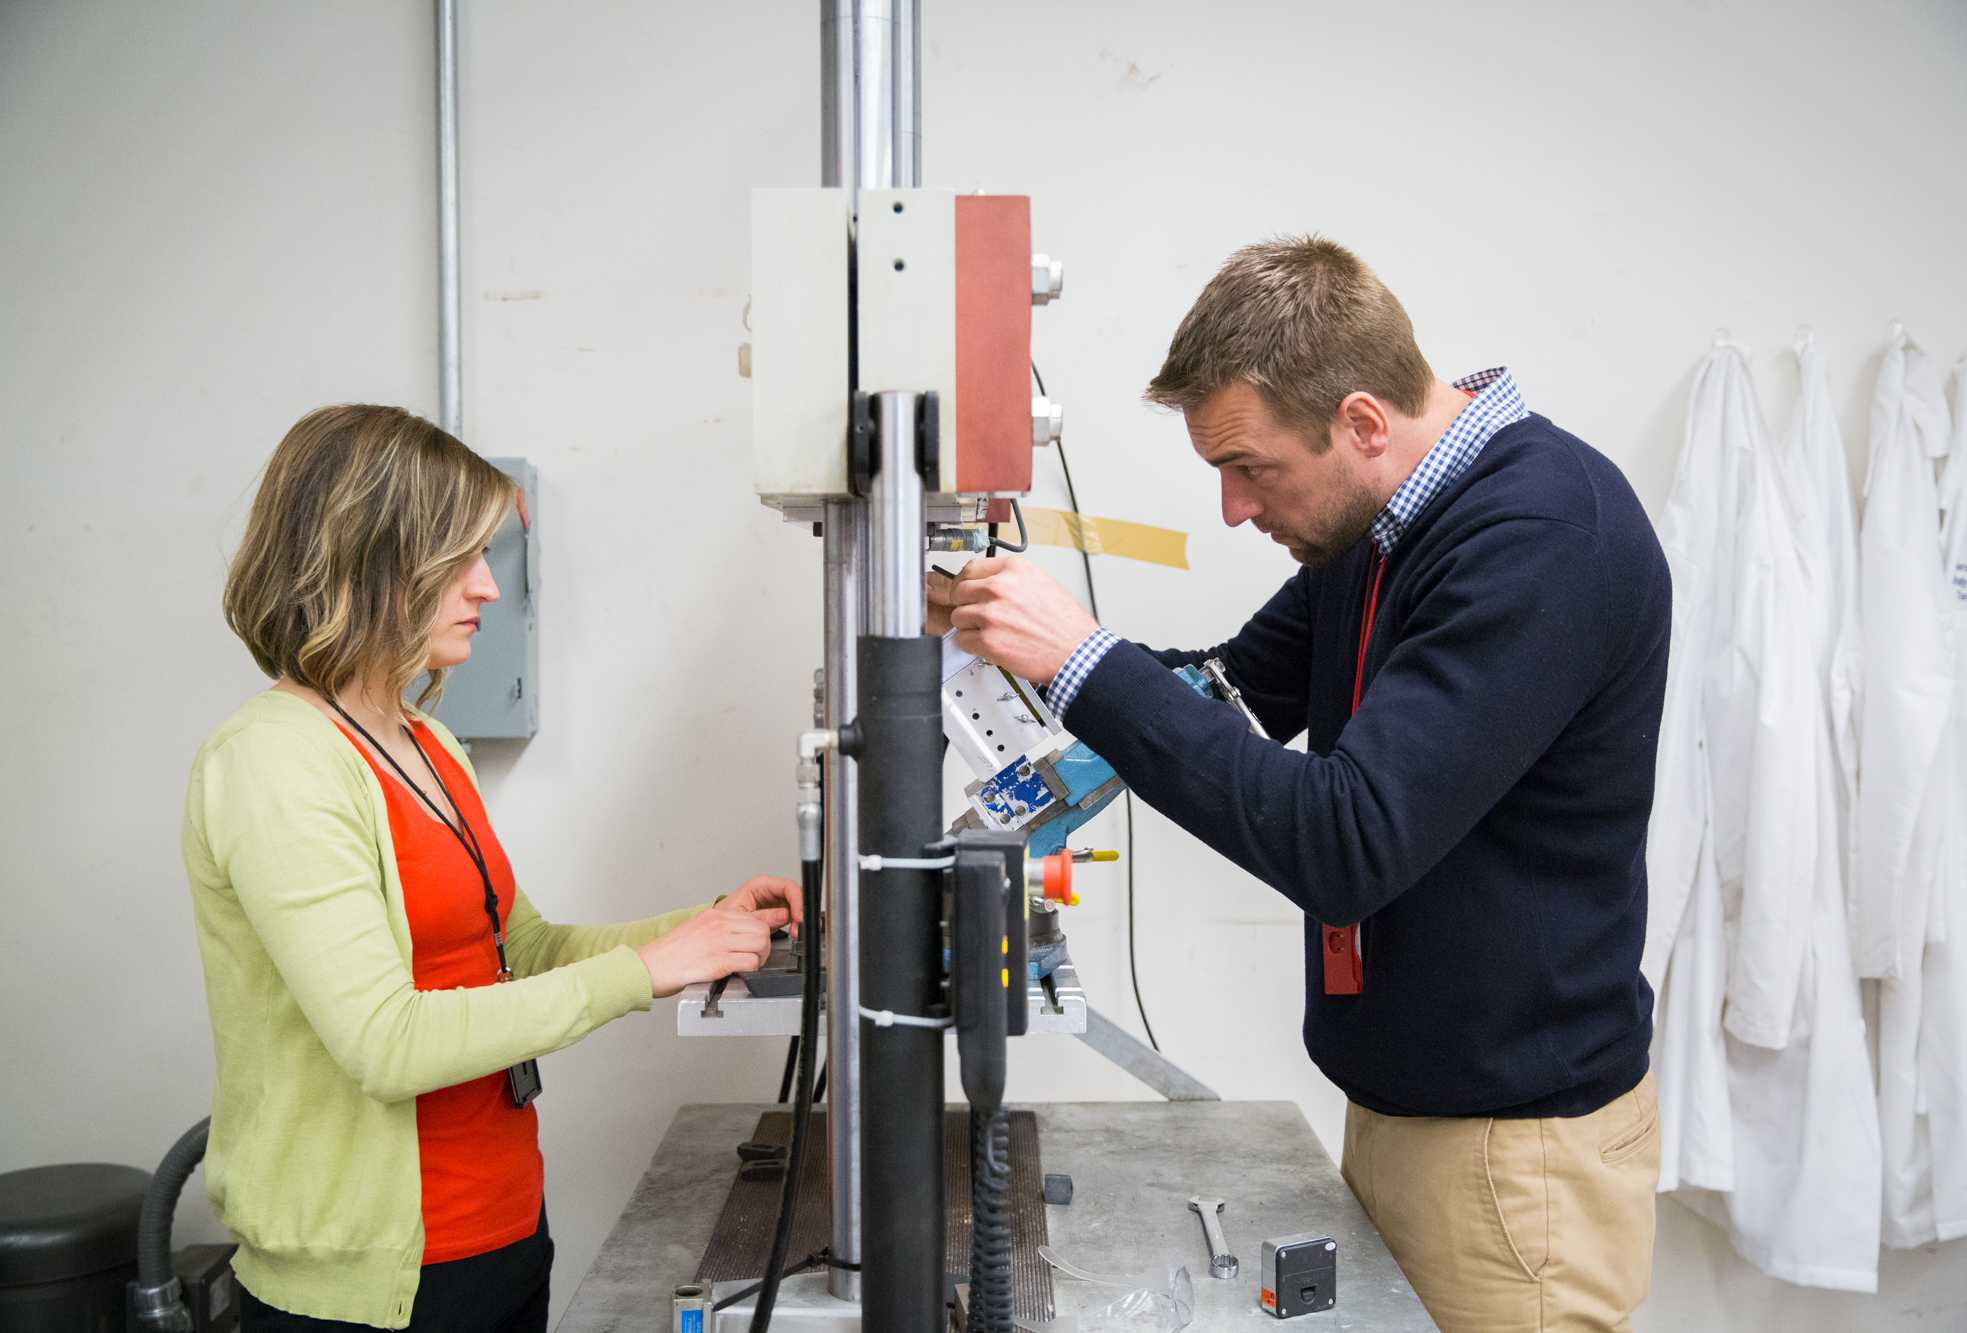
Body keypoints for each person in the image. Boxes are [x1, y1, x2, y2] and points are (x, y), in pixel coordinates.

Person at [930, 238, 1668, 1333]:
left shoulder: (1541, 538)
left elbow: (1348, 839)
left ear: (1362, 422)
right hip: (1413, 1115)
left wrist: (1079, 657)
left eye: (1249, 467)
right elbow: (1227, 695)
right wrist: (1017, 664)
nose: (1232, 509)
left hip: (1515, 1165)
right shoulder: (1384, 528)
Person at [184, 404, 801, 1332]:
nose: (488, 591)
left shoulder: (428, 743)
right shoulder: (275, 761)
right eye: (460, 561)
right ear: (374, 557)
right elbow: (385, 1041)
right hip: (375, 1290)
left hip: (505, 1231)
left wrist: (708, 931)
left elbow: (524, 947)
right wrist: (648, 971)